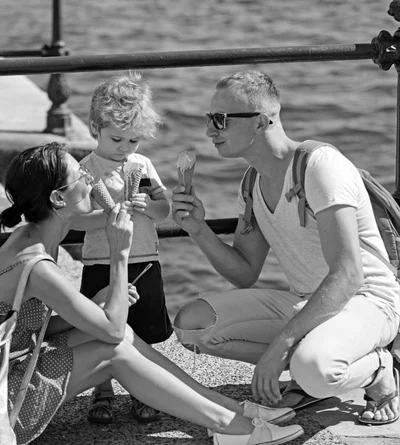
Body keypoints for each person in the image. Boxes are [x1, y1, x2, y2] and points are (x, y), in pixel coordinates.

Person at [0, 142, 304, 445]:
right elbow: (109, 331)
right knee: (114, 346)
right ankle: (232, 427)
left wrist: (94, 301)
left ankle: (231, 410)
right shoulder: (37, 263)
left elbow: (33, 328)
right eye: (80, 176)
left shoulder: (32, 238)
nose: (90, 179)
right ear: (58, 200)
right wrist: (119, 253)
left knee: (119, 336)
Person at [171, 70, 400, 425]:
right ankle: (314, 359)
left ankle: (379, 368)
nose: (209, 131)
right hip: (312, 301)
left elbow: (348, 274)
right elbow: (245, 272)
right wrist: (198, 229)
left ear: (261, 122)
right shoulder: (252, 182)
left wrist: (281, 347)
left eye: (220, 120)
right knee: (193, 327)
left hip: (368, 300)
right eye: (208, 119)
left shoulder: (320, 167)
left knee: (314, 370)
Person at [72, 71, 173, 424]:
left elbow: (164, 210)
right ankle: (101, 391)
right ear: (94, 128)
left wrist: (151, 206)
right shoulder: (85, 170)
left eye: (134, 140)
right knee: (101, 330)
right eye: (118, 139)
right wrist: (107, 215)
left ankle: (142, 391)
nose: (126, 148)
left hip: (143, 257)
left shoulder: (142, 165)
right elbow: (77, 219)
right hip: (101, 260)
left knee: (144, 331)